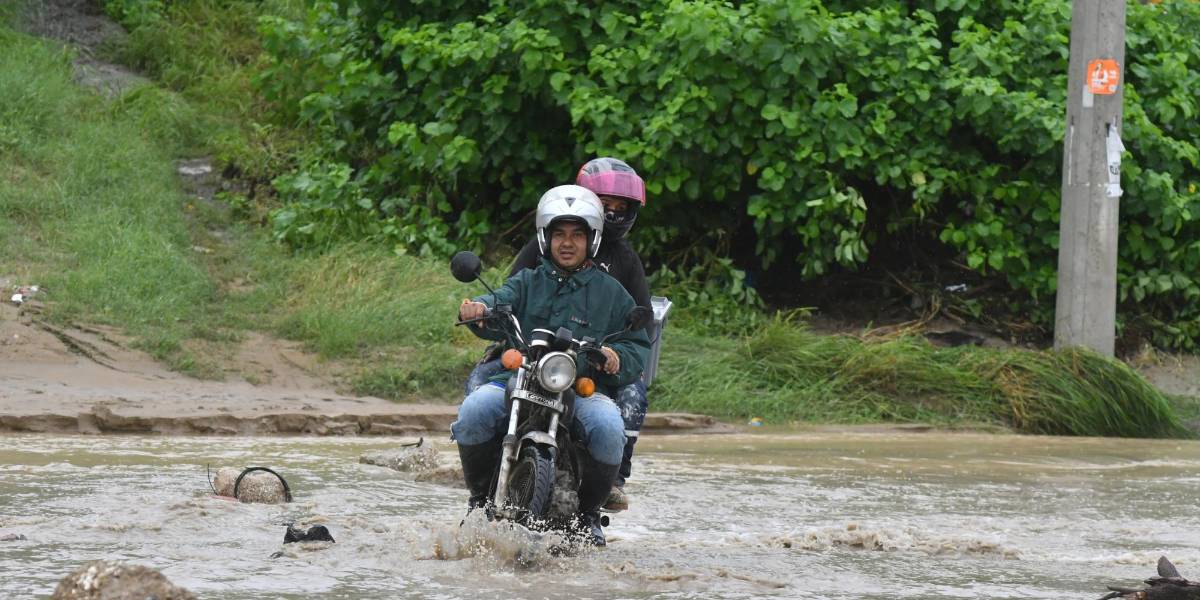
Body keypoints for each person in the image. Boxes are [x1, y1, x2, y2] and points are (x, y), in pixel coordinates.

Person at [452, 184, 651, 547]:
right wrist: (478, 307)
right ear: (546, 237)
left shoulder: (611, 292)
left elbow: (635, 342)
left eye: (577, 234)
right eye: (559, 233)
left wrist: (615, 355)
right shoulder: (527, 281)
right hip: (519, 377)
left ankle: (589, 515)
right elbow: (499, 300)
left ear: (591, 239)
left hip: (580, 387)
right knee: (474, 411)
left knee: (608, 429)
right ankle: (479, 501)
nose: (567, 242)